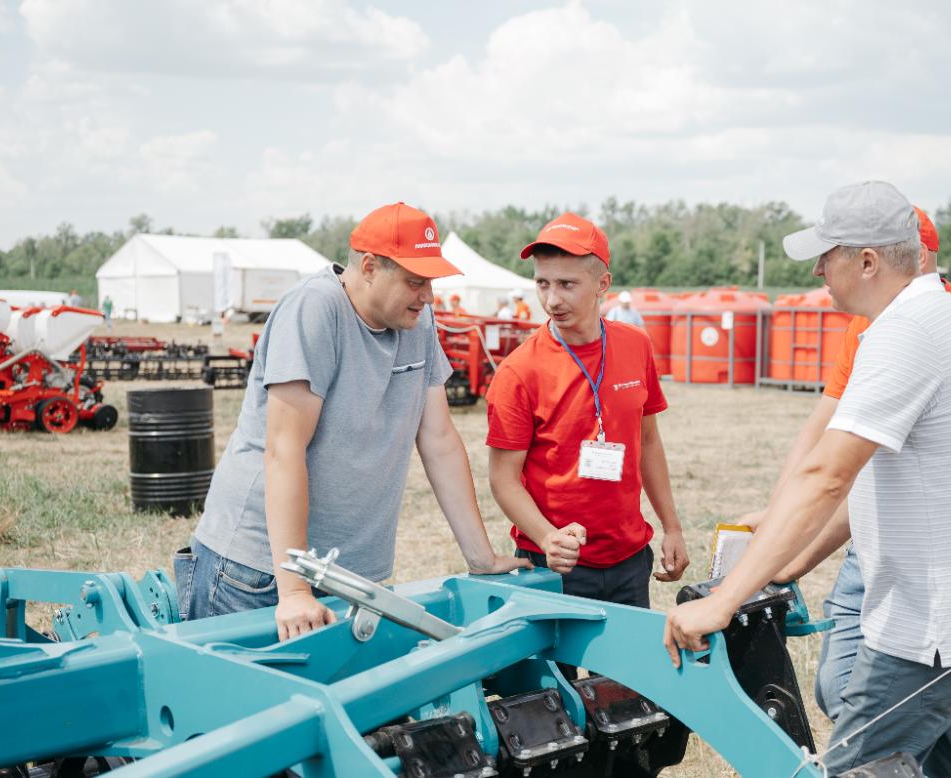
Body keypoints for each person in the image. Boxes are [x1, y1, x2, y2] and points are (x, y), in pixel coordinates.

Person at [665, 181, 951, 775]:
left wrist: (723, 603)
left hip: (930, 631)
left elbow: (827, 475)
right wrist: (793, 556)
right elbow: (876, 475)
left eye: (826, 254)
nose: (816, 269)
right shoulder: (948, 315)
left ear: (866, 261)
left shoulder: (901, 335)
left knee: (857, 766)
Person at [741, 206, 951, 760]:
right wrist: (784, 517)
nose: (818, 274)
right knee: (860, 695)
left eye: (828, 259)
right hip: (902, 549)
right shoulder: (874, 326)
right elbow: (827, 438)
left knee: (876, 742)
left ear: (883, 261)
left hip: (935, 586)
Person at [179, 202, 529, 641]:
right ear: (368, 267)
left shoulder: (417, 323)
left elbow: (439, 439)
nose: (427, 296)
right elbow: (284, 449)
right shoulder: (315, 310)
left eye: (430, 283)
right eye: (415, 282)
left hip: (346, 577)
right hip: (259, 574)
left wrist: (481, 557)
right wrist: (293, 589)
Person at [486, 212, 689, 614]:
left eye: (567, 284)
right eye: (543, 283)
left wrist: (672, 526)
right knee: (551, 680)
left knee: (622, 679)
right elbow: (503, 479)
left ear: (603, 285)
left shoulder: (635, 346)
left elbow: (647, 441)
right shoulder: (519, 371)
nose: (552, 300)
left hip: (629, 558)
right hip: (554, 564)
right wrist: (548, 538)